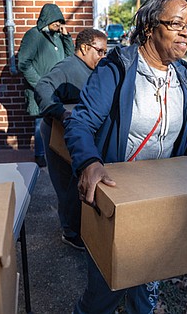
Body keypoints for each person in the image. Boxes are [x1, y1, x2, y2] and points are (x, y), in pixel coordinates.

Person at [64, 0, 187, 313]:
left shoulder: (183, 75)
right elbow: (81, 121)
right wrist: (89, 162)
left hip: (159, 202)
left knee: (148, 288)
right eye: (176, 24)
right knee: (105, 293)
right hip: (117, 200)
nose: (185, 33)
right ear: (152, 27)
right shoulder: (118, 68)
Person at [35, 28, 107, 250]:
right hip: (57, 132)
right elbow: (42, 87)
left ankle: (78, 227)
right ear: (85, 48)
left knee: (78, 182)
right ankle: (70, 233)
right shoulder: (67, 67)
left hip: (75, 133)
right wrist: (61, 112)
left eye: (106, 52)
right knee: (66, 185)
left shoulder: (92, 69)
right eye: (100, 51)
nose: (103, 56)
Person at [17, 3, 74, 167]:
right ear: (47, 19)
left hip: (57, 89)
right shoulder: (33, 36)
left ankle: (57, 153)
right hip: (40, 89)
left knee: (57, 122)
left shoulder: (58, 36)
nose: (58, 25)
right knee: (40, 123)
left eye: (60, 21)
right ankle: (40, 155)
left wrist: (66, 37)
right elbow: (23, 63)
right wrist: (41, 84)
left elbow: (71, 57)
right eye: (56, 21)